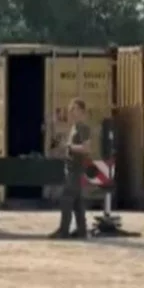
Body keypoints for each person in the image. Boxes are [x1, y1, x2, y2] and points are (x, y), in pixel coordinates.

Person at [49, 98, 91, 239]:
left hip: (75, 170)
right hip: (71, 168)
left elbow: (86, 148)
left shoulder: (83, 128)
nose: (72, 112)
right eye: (71, 109)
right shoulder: (74, 127)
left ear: (82, 112)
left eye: (74, 109)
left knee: (66, 199)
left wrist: (68, 147)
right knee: (77, 202)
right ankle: (82, 230)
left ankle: (64, 230)